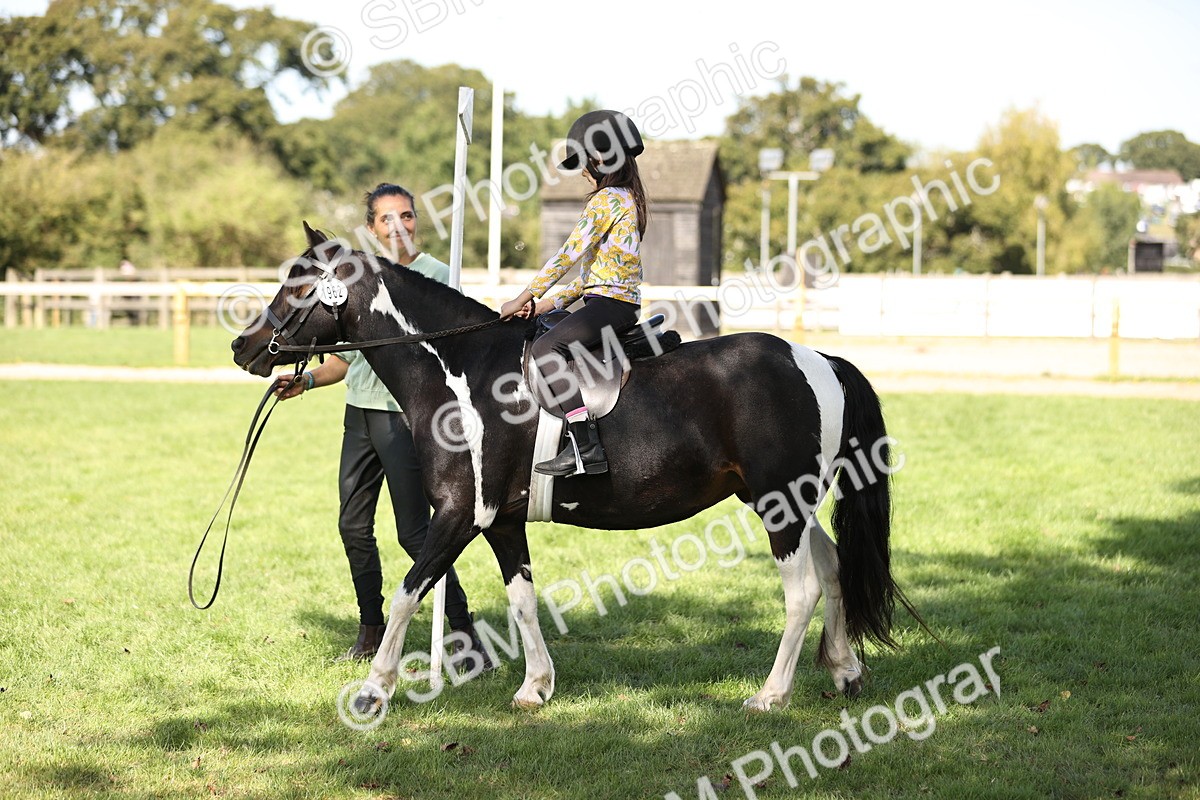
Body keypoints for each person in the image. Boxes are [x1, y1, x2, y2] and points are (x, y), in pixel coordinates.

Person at [274, 183, 492, 666]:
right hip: (360, 416)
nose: (399, 227)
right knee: (352, 526)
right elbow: (346, 363)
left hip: (408, 422)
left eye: (407, 216)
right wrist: (305, 381)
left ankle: (462, 632)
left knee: (416, 534)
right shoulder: (360, 279)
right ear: (371, 228)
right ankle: (369, 628)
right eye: (386, 219)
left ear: (417, 220)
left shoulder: (438, 277)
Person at [499, 110, 648, 478]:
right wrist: (548, 303)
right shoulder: (628, 199)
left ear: (601, 157)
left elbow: (567, 255)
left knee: (548, 349)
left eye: (584, 162)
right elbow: (593, 274)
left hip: (609, 305)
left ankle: (585, 445)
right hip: (612, 302)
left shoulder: (606, 199)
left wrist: (521, 297)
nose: (582, 171)